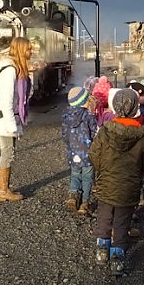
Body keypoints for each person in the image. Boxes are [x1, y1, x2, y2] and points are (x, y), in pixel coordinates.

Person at [89, 88, 144, 276]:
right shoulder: (142, 136)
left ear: (114, 107)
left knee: (105, 216)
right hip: (129, 185)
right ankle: (117, 256)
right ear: (135, 109)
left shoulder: (105, 132)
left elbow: (94, 154)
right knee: (122, 221)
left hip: (107, 181)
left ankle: (102, 250)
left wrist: (103, 170)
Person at [0, 37, 32, 202]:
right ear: (21, 50)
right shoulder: (10, 71)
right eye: (28, 49)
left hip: (8, 118)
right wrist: (12, 127)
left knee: (8, 153)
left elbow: (22, 96)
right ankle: (3, 191)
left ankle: (4, 189)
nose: (31, 52)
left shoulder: (16, 69)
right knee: (7, 153)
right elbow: (7, 100)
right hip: (4, 119)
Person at [61, 86, 98, 215]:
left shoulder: (66, 116)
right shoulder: (89, 115)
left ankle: (73, 196)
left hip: (73, 151)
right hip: (87, 152)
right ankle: (84, 203)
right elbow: (94, 133)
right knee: (87, 177)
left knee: (75, 175)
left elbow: (64, 135)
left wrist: (70, 145)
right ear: (84, 101)